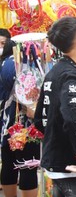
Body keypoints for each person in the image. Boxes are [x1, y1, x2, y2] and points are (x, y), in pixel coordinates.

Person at [34, 16, 76, 197]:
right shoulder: (70, 75)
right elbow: (74, 118)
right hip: (70, 166)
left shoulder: (55, 72)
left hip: (59, 162)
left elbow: (40, 120)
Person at [0, 38, 40, 197]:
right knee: (28, 166)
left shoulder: (3, 64)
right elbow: (28, 98)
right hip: (24, 125)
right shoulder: (22, 66)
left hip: (5, 123)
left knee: (8, 165)